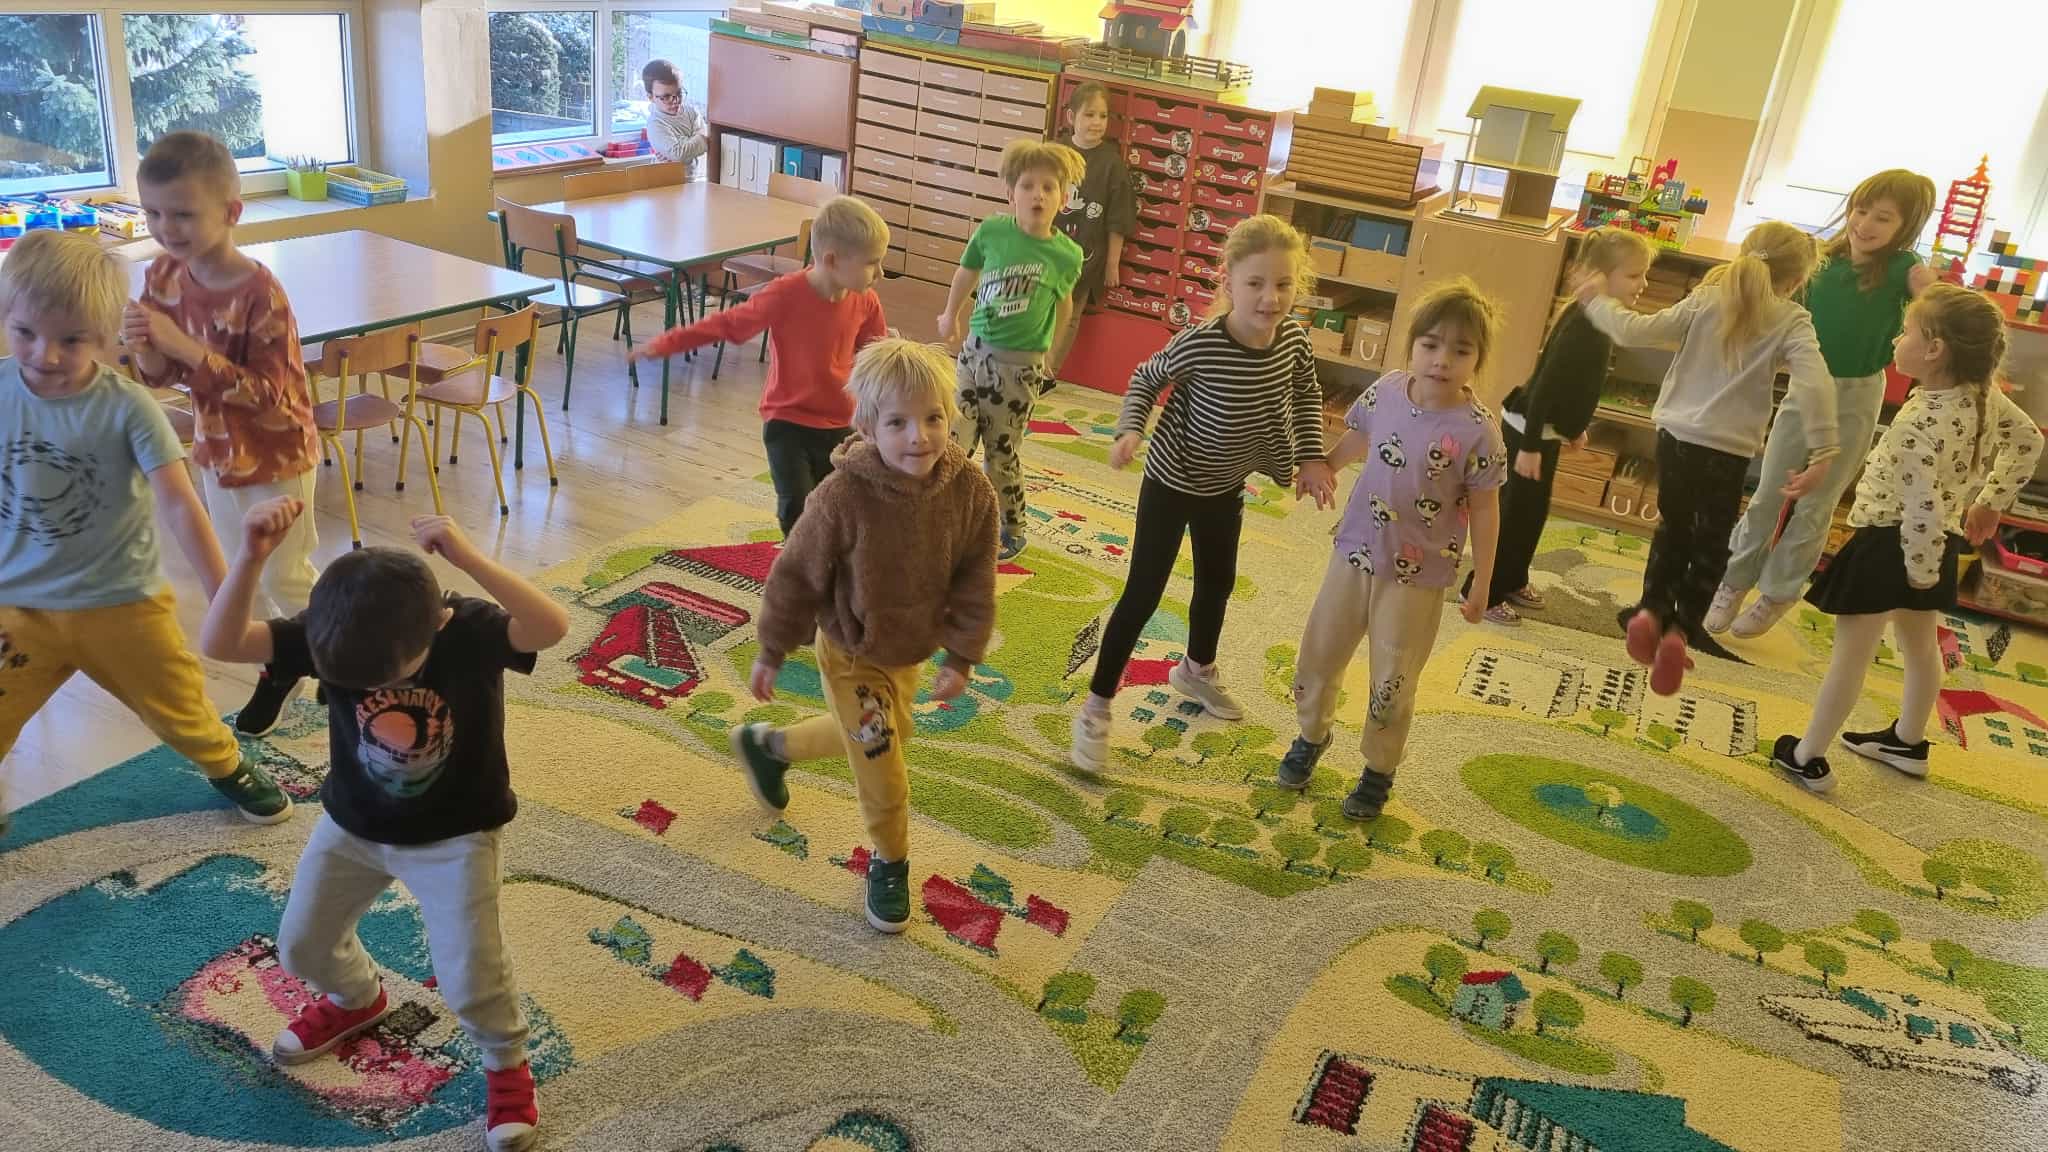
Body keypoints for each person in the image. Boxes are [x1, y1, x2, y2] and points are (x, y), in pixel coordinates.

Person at [199, 499, 570, 1152]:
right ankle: (357, 998)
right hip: (353, 826)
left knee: (470, 975)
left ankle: (505, 1062)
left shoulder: (467, 629)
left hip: (455, 836)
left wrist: (467, 557)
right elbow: (221, 644)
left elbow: (551, 624)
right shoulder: (332, 631)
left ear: (438, 624)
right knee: (302, 946)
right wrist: (252, 556)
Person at [0, 230, 292, 828]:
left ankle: (227, 764)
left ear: (106, 337)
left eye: (70, 340)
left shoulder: (129, 407)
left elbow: (181, 505)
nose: (45, 356)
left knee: (179, 707)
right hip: (17, 605)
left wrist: (224, 595)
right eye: (25, 332)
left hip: (121, 604)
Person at [728, 339, 999, 933]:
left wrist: (962, 654)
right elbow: (796, 573)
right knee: (883, 761)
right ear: (868, 426)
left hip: (909, 648)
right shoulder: (841, 496)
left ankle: (770, 748)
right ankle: (890, 860)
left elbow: (977, 577)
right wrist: (772, 647)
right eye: (898, 423)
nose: (919, 437)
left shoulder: (969, 491)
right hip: (851, 650)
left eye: (933, 418)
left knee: (887, 732)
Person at [1068, 215, 1336, 772]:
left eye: (1284, 284)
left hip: (1225, 484)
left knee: (1217, 584)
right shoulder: (1202, 343)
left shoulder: (1293, 340)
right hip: (1171, 481)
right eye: (1256, 283)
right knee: (1143, 593)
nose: (1270, 298)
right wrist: (1130, 429)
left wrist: (1312, 455)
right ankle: (1095, 705)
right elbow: (1146, 377)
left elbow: (1306, 392)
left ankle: (1195, 670)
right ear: (1228, 281)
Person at [1772, 285, 2042, 791]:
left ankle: (1807, 756)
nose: (1897, 340)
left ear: (1934, 349)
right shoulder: (1984, 397)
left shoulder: (1918, 423)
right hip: (1937, 545)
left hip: (1893, 547)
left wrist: (1915, 576)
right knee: (1920, 647)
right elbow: (2027, 441)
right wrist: (1991, 501)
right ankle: (1908, 741)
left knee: (1850, 657)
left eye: (1905, 332)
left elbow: (1921, 508)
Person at [1576, 220, 1837, 695]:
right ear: (1798, 280)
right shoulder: (1792, 320)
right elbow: (1816, 383)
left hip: (1675, 437)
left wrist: (1597, 302)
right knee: (1712, 544)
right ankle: (1681, 629)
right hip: (1728, 450)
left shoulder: (1706, 299)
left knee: (1673, 529)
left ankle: (1651, 610)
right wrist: (1823, 448)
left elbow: (1636, 331)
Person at [1281, 279, 1506, 819]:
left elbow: (1485, 510)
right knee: (1318, 655)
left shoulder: (1479, 432)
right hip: (1354, 552)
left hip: (1417, 578)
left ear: (1477, 360)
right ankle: (1311, 736)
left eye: (1460, 350)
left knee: (1393, 679)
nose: (1441, 360)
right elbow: (1359, 438)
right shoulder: (1385, 391)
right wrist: (1324, 466)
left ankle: (1378, 769)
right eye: (1430, 344)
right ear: (1412, 345)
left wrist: (1484, 581)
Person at [125, 129, 322, 737]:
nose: (166, 228)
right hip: (216, 451)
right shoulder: (163, 275)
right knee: (242, 575)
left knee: (287, 575)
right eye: (154, 213)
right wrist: (145, 347)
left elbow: (268, 395)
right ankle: (280, 666)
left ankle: (351, 658)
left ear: (231, 213)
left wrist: (180, 345)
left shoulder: (261, 291)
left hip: (277, 452)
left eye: (183, 214)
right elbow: (161, 375)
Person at [1712, 169, 1939, 638]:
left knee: (1817, 503)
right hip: (1806, 388)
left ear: (1905, 227)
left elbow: (1934, 312)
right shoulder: (1820, 261)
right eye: (1861, 210)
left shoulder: (1902, 269)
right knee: (1768, 493)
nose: (1865, 224)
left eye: (1883, 218)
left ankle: (1778, 593)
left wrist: (1928, 291)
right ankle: (1733, 581)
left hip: (1857, 394)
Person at [630, 196, 889, 534]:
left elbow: (877, 361)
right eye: (873, 263)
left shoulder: (866, 301)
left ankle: (829, 561)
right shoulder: (785, 294)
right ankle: (798, 561)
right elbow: (727, 324)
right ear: (832, 260)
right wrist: (666, 344)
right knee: (796, 506)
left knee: (837, 506)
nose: (881, 273)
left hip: (841, 422)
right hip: (788, 421)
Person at [1463, 227, 1653, 623]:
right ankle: (1481, 589)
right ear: (1602, 276)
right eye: (1634, 275)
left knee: (1533, 514)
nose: (1644, 284)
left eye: (1644, 275)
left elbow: (1576, 384)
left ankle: (1513, 578)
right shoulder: (1585, 324)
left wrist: (1572, 428)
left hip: (1543, 431)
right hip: (1527, 430)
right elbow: (1547, 384)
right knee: (1513, 515)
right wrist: (1532, 445)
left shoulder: (1598, 319)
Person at [939, 138, 1086, 561]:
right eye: (1027, 185)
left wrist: (1052, 354)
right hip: (973, 356)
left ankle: (1013, 528)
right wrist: (950, 314)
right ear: (1010, 194)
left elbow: (1064, 303)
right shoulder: (992, 232)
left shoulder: (1066, 255)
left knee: (1000, 454)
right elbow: (966, 272)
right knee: (954, 440)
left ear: (1063, 198)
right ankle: (945, 521)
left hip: (1019, 371)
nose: (1038, 195)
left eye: (1049, 187)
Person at [1049, 81, 1135, 379]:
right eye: (1089, 114)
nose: (1097, 122)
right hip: (1048, 251)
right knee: (1041, 307)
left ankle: (1048, 372)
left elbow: (1118, 219)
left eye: (1103, 115)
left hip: (1086, 258)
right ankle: (1029, 363)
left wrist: (1112, 263)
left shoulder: (1112, 165)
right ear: (1071, 117)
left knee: (1070, 315)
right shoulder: (1056, 153)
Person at [640, 58, 709, 176]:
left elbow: (706, 138)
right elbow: (679, 154)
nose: (676, 101)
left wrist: (683, 148)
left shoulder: (692, 112)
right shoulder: (655, 123)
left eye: (679, 93)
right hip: (665, 182)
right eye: (666, 97)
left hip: (691, 179)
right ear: (651, 97)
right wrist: (700, 141)